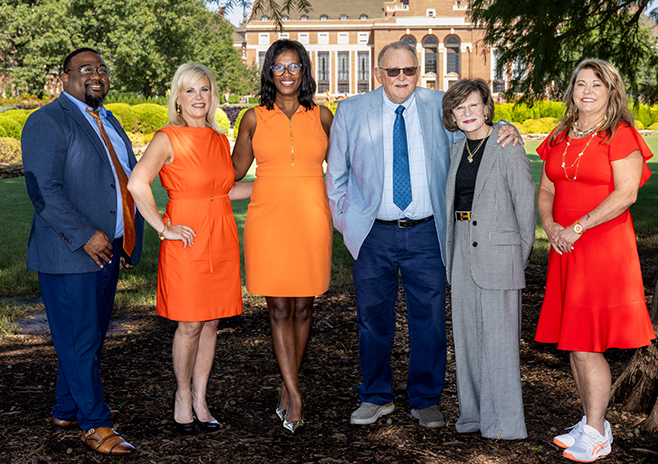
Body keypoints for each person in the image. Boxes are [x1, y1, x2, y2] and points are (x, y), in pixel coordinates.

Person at [326, 41, 520, 429]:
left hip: (427, 234)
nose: (402, 78)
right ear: (378, 72)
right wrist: (348, 225)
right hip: (372, 234)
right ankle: (376, 395)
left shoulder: (438, 106)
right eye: (394, 71)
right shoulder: (351, 110)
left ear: (419, 71)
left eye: (410, 71)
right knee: (372, 319)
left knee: (429, 319)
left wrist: (505, 128)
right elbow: (337, 177)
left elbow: (473, 128)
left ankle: (425, 398)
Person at [22, 47, 144, 456]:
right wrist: (87, 235)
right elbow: (44, 192)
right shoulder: (47, 121)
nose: (96, 75)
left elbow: (124, 179)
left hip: (108, 250)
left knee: (86, 338)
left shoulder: (109, 120)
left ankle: (65, 408)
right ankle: (96, 424)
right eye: (85, 69)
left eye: (102, 69)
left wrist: (127, 237)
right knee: (79, 340)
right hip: (69, 252)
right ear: (66, 77)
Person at [535, 58, 656, 462]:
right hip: (565, 246)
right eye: (580, 83)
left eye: (597, 85)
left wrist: (577, 227)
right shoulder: (560, 134)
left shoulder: (620, 135)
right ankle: (591, 421)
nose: (587, 91)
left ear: (611, 92)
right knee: (574, 340)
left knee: (587, 343)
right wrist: (551, 226)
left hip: (601, 246)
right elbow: (547, 189)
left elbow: (626, 194)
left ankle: (597, 431)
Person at [127, 63, 251, 435]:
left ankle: (201, 398)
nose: (199, 98)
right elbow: (137, 184)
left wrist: (276, 187)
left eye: (205, 90)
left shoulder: (217, 138)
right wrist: (163, 228)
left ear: (213, 96)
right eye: (190, 91)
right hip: (187, 239)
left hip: (221, 236)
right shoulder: (168, 137)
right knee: (191, 322)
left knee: (212, 321)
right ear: (177, 99)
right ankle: (182, 395)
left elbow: (223, 191)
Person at [231, 39, 333, 433]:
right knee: (277, 308)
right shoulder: (253, 118)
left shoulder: (322, 116)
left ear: (304, 71)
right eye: (279, 67)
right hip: (268, 220)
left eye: (294, 67)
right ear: (268, 72)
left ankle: (288, 385)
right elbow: (235, 170)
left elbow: (345, 164)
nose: (287, 74)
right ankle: (294, 394)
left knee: (304, 308)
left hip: (311, 219)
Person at [441, 78, 536, 440]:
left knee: (498, 341)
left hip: (499, 250)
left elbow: (525, 204)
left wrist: (518, 253)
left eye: (473, 105)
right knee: (465, 338)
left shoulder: (506, 145)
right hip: (461, 246)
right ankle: (474, 417)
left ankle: (505, 425)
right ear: (452, 115)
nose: (467, 113)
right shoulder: (455, 151)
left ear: (486, 108)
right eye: (459, 108)